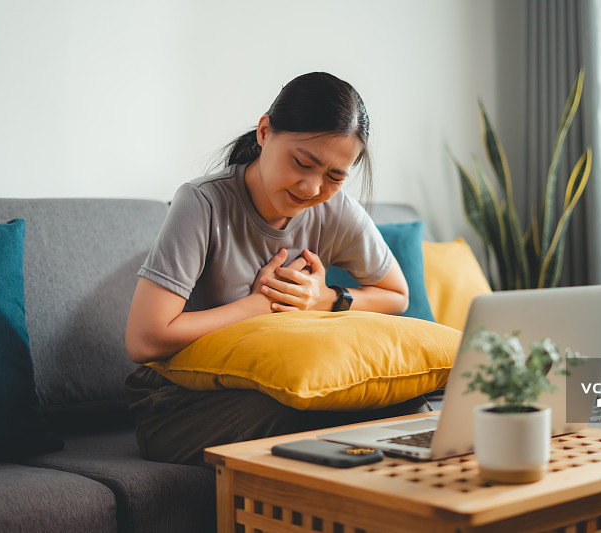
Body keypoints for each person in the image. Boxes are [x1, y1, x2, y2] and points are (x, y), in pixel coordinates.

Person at [124, 72, 432, 467]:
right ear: (265, 132)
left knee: (412, 410)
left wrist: (328, 300)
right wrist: (257, 307)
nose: (312, 188)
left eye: (335, 176)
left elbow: (397, 295)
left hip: (287, 389)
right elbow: (144, 340)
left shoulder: (335, 211)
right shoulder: (203, 203)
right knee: (300, 420)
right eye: (302, 162)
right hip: (177, 404)